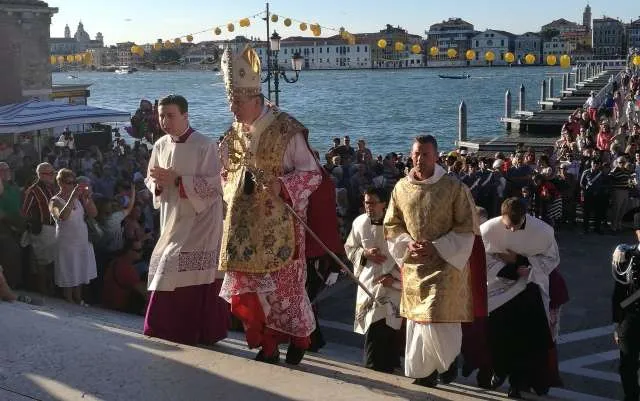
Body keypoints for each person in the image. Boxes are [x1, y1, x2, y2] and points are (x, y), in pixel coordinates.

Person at [218, 45, 322, 365]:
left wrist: (282, 185)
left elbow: (313, 174)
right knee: (251, 291)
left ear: (254, 98)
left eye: (236, 101)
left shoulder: (286, 129)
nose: (231, 107)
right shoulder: (233, 135)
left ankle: (300, 338)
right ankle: (266, 344)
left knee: (284, 291)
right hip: (243, 228)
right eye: (230, 100)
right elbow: (224, 174)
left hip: (282, 225)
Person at [384, 135, 475, 387]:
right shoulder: (401, 188)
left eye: (425, 154)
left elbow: (467, 227)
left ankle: (447, 363)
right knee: (418, 320)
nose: (419, 159)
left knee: (437, 317)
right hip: (414, 264)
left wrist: (437, 247)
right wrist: (406, 244)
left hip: (446, 265)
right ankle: (425, 372)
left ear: (436, 156)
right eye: (415, 154)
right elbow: (392, 225)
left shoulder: (454, 188)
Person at [143, 94, 229, 346]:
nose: (164, 121)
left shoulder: (205, 145)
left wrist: (179, 181)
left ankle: (200, 331)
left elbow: (215, 185)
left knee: (186, 269)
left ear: (185, 115)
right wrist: (157, 184)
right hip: (172, 217)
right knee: (168, 264)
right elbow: (150, 179)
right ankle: (165, 327)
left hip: (201, 221)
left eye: (170, 115)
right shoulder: (159, 145)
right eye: (161, 116)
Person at [480, 197, 560, 398]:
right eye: (508, 226)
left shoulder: (542, 231)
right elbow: (483, 256)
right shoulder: (489, 229)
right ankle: (499, 370)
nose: (513, 231)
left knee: (524, 341)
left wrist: (525, 263)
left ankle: (517, 383)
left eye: (517, 226)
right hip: (499, 291)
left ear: (525, 216)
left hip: (528, 291)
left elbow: (552, 258)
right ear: (501, 216)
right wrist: (507, 269)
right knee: (497, 337)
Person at [345, 187, 402, 373]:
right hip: (369, 280)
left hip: (392, 280)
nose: (368, 206)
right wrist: (366, 254)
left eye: (372, 202)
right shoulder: (359, 222)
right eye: (366, 202)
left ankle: (391, 361)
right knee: (372, 322)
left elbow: (404, 252)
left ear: (384, 204)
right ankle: (373, 363)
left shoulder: (396, 224)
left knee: (390, 323)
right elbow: (350, 248)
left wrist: (393, 276)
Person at [49, 168, 98, 304]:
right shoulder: (54, 200)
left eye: (73, 182)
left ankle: (78, 299)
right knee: (68, 270)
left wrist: (88, 198)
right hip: (66, 241)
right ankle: (68, 299)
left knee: (80, 270)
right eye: (68, 182)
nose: (72, 185)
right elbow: (63, 216)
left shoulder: (78, 199)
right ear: (60, 183)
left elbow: (94, 214)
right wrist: (72, 197)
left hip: (81, 240)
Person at [611, 223, 640, 401]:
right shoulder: (626, 255)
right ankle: (631, 396)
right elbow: (618, 293)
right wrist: (617, 322)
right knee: (627, 363)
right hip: (631, 316)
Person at [21, 162, 57, 295]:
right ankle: (43, 290)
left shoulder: (52, 189)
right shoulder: (33, 190)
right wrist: (35, 224)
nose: (53, 175)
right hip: (42, 229)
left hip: (54, 228)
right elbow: (25, 212)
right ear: (41, 175)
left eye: (53, 172)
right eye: (50, 173)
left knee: (52, 261)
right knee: (42, 261)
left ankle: (51, 288)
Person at [103, 239, 148, 314]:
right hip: (119, 308)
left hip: (111, 305)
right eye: (138, 250)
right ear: (129, 251)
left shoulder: (117, 261)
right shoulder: (125, 267)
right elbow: (145, 293)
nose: (141, 253)